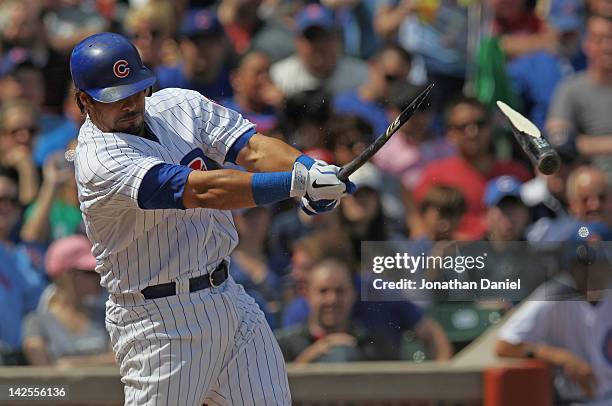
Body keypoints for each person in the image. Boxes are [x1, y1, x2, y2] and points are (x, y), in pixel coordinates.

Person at [70, 32, 355, 405]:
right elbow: (202, 191)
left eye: (135, 90)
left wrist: (312, 170)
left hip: (227, 297)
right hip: (159, 323)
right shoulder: (97, 159)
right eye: (115, 97)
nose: (130, 103)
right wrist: (299, 184)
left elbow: (252, 148)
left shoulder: (178, 104)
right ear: (84, 101)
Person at [496, 224, 612, 403]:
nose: (591, 271)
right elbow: (505, 344)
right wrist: (558, 356)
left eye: (599, 263)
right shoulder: (555, 294)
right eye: (583, 263)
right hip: (573, 400)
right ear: (571, 265)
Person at [412, 96, 531, 239]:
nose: (473, 132)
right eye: (463, 127)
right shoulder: (435, 175)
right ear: (450, 133)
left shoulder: (516, 173)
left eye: (479, 124)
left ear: (491, 126)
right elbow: (418, 223)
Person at [22, 235, 114, 367]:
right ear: (66, 275)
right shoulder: (35, 322)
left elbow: (119, 360)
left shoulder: (107, 315)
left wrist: (74, 365)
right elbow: (47, 380)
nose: (99, 277)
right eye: (90, 272)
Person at [546, 14, 612, 178]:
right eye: (599, 39)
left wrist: (586, 143)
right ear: (587, 44)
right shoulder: (571, 89)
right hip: (592, 185)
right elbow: (559, 142)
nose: (607, 47)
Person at [270, 4, 368, 97]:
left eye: (322, 37)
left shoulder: (361, 76)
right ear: (298, 42)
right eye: (311, 38)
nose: (318, 46)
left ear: (336, 40)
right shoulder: (280, 77)